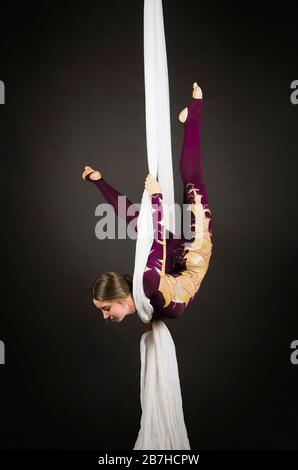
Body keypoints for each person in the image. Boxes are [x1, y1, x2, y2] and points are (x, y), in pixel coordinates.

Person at [81, 82, 213, 324]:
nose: (105, 315)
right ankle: (193, 120)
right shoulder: (145, 295)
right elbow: (157, 239)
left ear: (122, 298)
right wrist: (155, 200)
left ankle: (193, 120)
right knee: (148, 219)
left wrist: (156, 198)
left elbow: (158, 238)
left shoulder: (148, 284)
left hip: (191, 249)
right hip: (190, 259)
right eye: (103, 310)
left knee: (147, 218)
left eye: (105, 308)